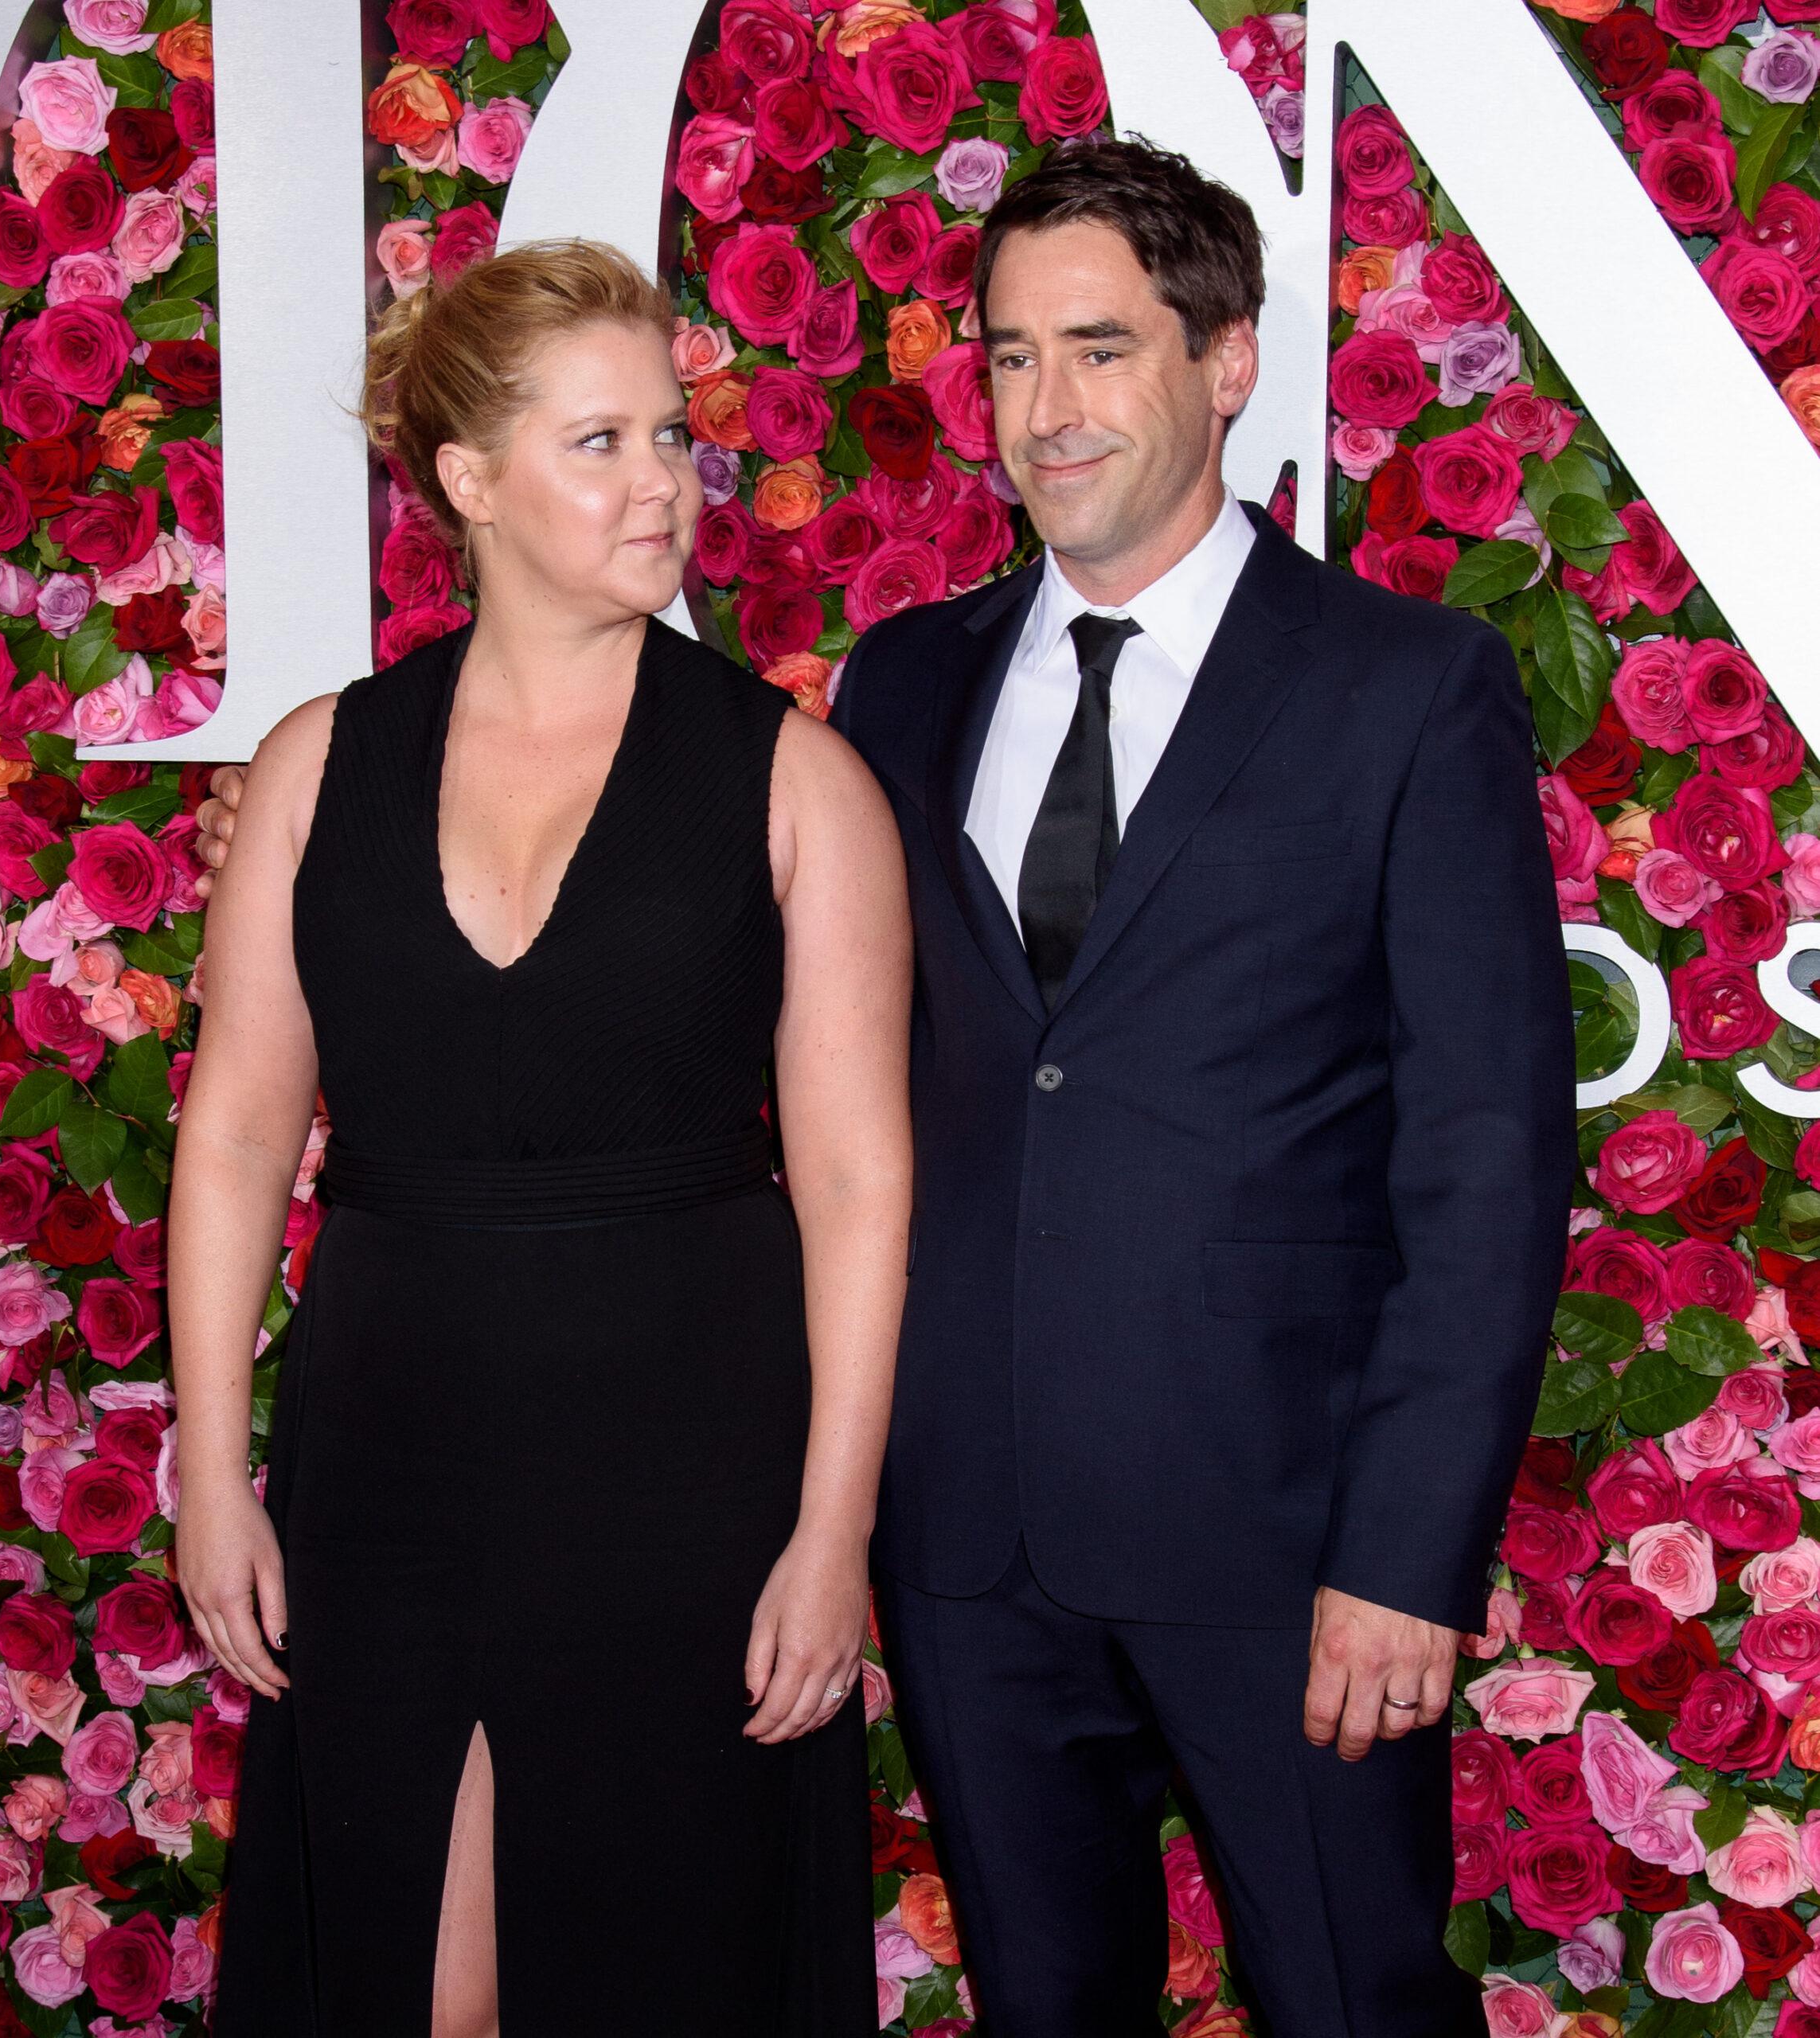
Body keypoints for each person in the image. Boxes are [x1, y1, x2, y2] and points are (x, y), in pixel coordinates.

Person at [827, 141, 1573, 2034]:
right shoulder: (898, 684)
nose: (1044, 411)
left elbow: (1483, 1151)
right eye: (1006, 358)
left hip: (1289, 1543)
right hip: (968, 1531)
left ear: (1225, 360)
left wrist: (1406, 1554)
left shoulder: (1405, 685)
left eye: (1098, 348)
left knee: (1349, 2001)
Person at [170, 238, 908, 2037]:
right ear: (467, 481)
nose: (663, 482)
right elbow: (239, 1132)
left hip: (688, 1463)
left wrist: (832, 1532)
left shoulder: (792, 774)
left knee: (659, 1959)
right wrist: (207, 1467)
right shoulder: (316, 762)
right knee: (419, 1973)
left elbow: (859, 1181)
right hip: (389, 1448)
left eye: (673, 436)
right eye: (602, 443)